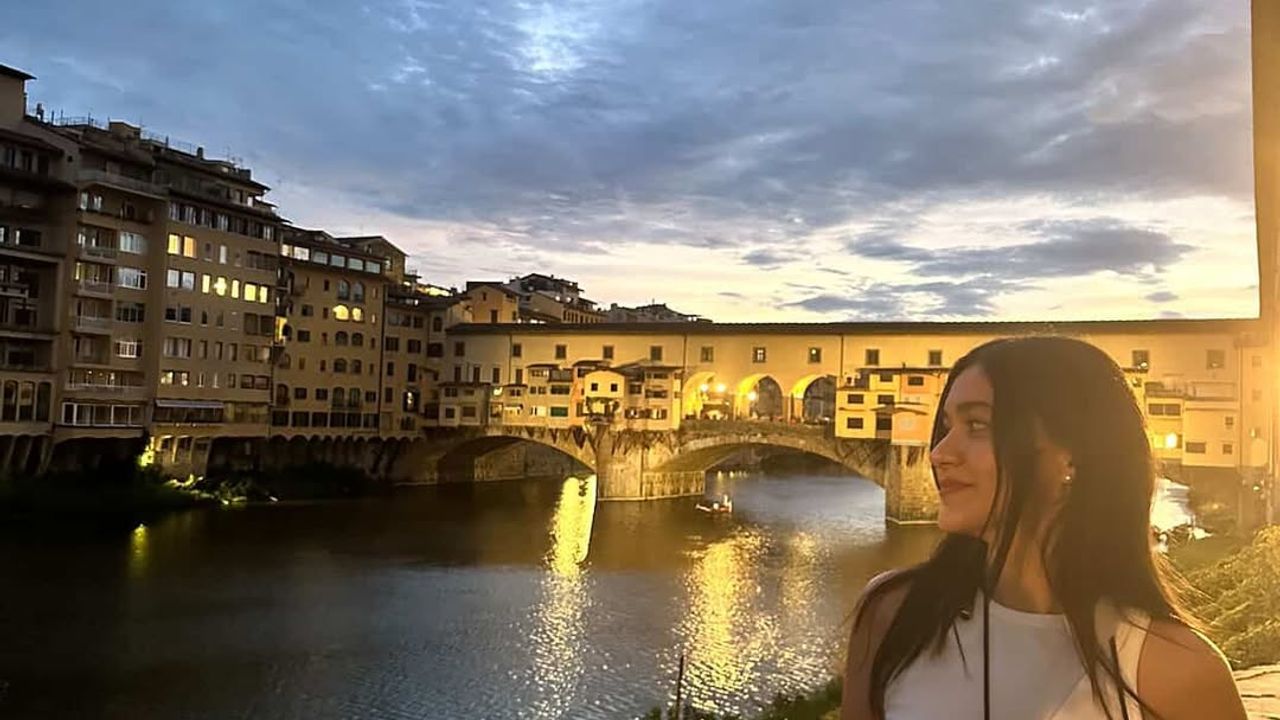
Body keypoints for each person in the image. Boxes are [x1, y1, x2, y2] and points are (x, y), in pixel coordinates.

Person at [841, 336, 1246, 720]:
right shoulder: (892, 615)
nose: (939, 453)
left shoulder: (1177, 672)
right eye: (947, 427)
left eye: (977, 426)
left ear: (1071, 458)